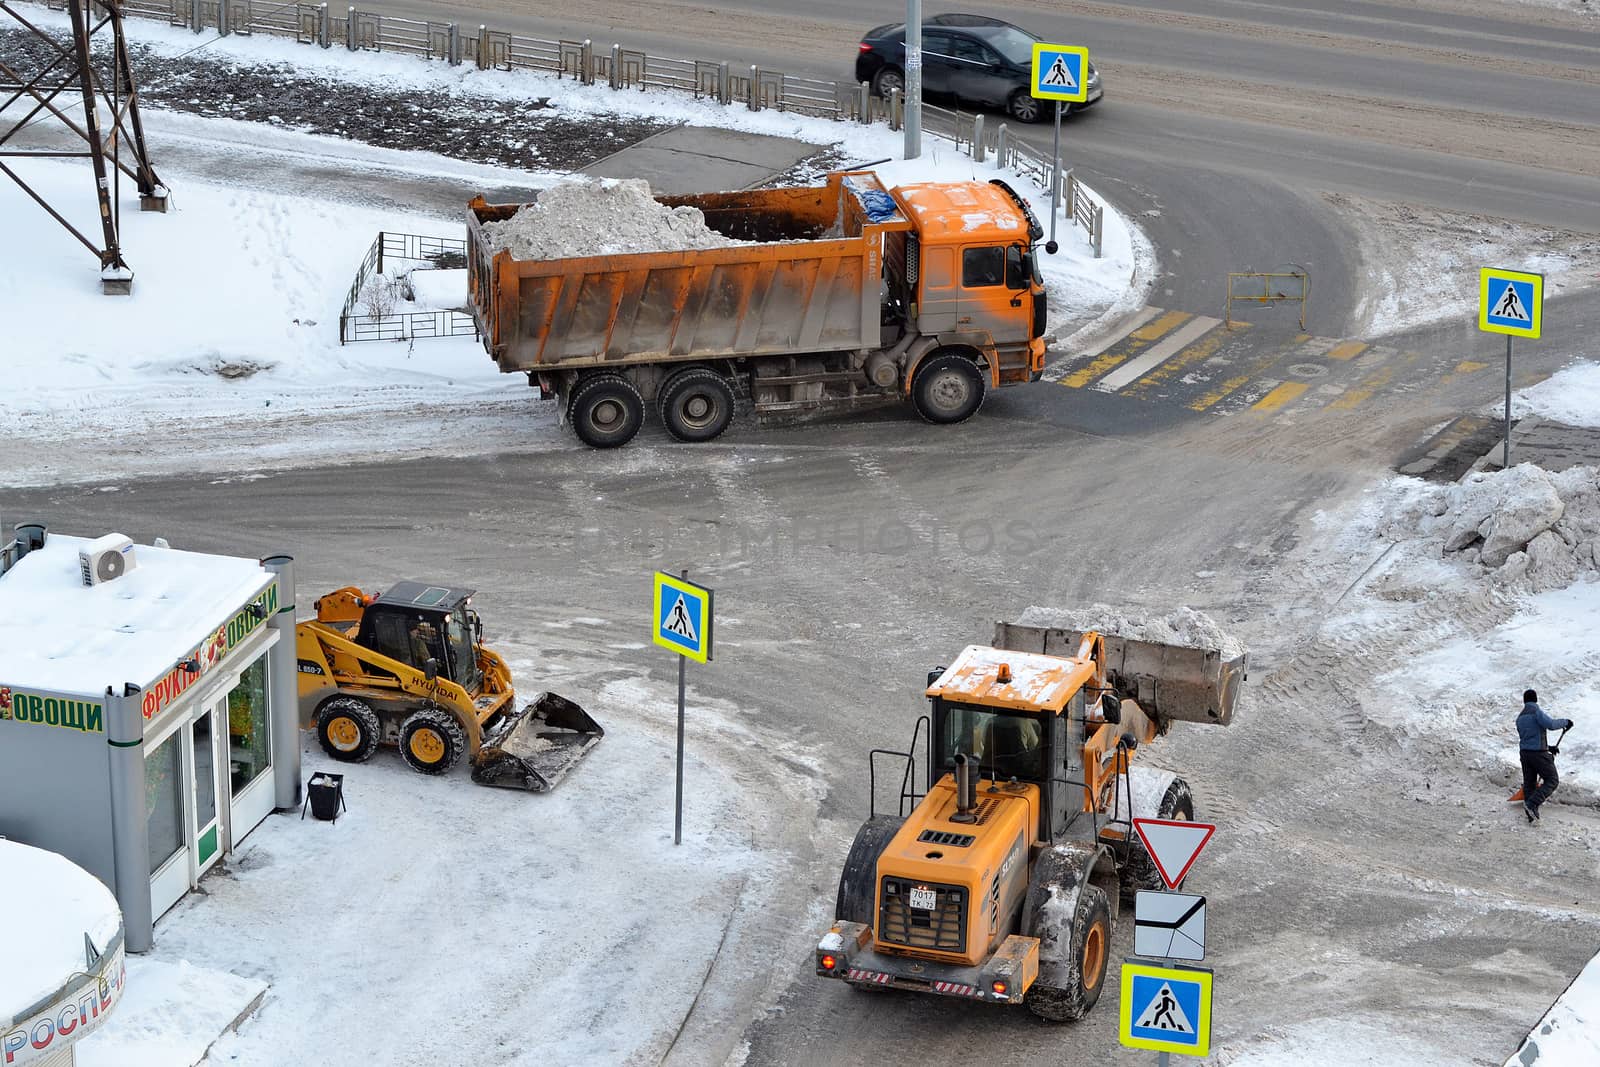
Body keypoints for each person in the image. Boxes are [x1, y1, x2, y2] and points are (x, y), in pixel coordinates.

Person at [1517, 688, 1573, 823]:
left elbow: (1529, 738)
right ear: (1535, 699)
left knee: (1529, 783)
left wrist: (1548, 748)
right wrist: (1566, 722)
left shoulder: (1520, 718)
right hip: (1538, 754)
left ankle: (1531, 814)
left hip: (1525, 754)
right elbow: (1551, 724)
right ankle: (1532, 804)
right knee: (1552, 779)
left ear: (1524, 701)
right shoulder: (1536, 712)